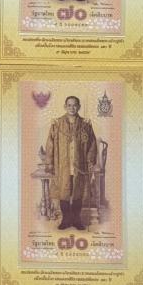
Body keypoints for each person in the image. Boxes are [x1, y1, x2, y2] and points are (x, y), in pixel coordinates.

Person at [45, 96, 97, 230]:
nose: (72, 108)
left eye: (74, 105)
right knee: (64, 193)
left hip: (79, 166)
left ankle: (76, 220)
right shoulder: (57, 124)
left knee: (78, 192)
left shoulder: (85, 124)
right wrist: (49, 162)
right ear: (65, 107)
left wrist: (90, 160)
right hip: (62, 166)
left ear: (78, 107)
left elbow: (92, 144)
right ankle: (66, 220)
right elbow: (50, 144)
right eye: (69, 105)